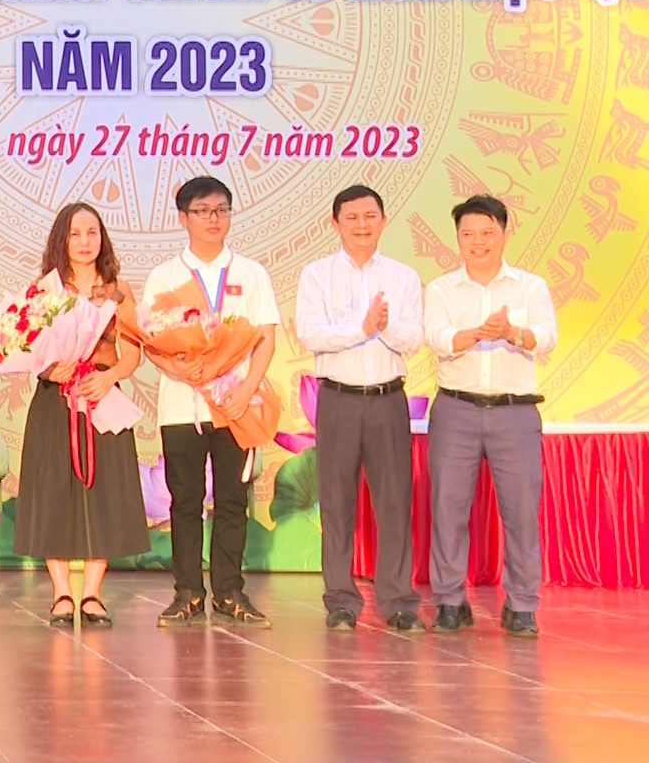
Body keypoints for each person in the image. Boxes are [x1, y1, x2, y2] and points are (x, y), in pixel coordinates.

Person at [142, 176, 279, 629]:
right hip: (182, 407)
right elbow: (151, 342)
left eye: (221, 210)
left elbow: (266, 338)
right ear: (183, 218)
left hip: (236, 407)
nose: (213, 219)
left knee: (233, 501)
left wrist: (246, 389)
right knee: (184, 502)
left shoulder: (250, 273)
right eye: (202, 211)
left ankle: (230, 592)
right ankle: (187, 593)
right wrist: (180, 369)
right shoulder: (166, 276)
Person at [422, 194, 557, 637]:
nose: (478, 242)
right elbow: (438, 338)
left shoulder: (529, 286)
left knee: (521, 511)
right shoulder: (441, 289)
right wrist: (477, 334)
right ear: (458, 238)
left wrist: (511, 332)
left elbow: (547, 337)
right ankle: (449, 600)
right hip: (456, 410)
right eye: (468, 234)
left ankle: (522, 604)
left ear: (504, 233)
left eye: (487, 233)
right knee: (448, 510)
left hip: (514, 413)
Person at [296, 185, 426, 633]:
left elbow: (413, 339)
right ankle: (341, 600)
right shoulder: (316, 275)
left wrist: (383, 328)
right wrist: (361, 327)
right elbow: (311, 334)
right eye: (351, 217)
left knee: (394, 501)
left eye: (370, 216)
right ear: (334, 224)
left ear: (384, 221)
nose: (362, 225)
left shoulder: (404, 276)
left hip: (388, 399)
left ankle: (398, 600)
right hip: (338, 399)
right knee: (336, 503)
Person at [14, 203, 149, 629]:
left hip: (101, 397)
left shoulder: (117, 290)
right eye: (75, 233)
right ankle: (61, 593)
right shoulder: (46, 290)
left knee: (103, 492)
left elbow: (134, 353)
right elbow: (25, 347)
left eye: (92, 232)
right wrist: (48, 369)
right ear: (62, 240)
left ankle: (91, 593)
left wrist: (109, 378)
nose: (85, 241)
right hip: (55, 400)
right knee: (52, 490)